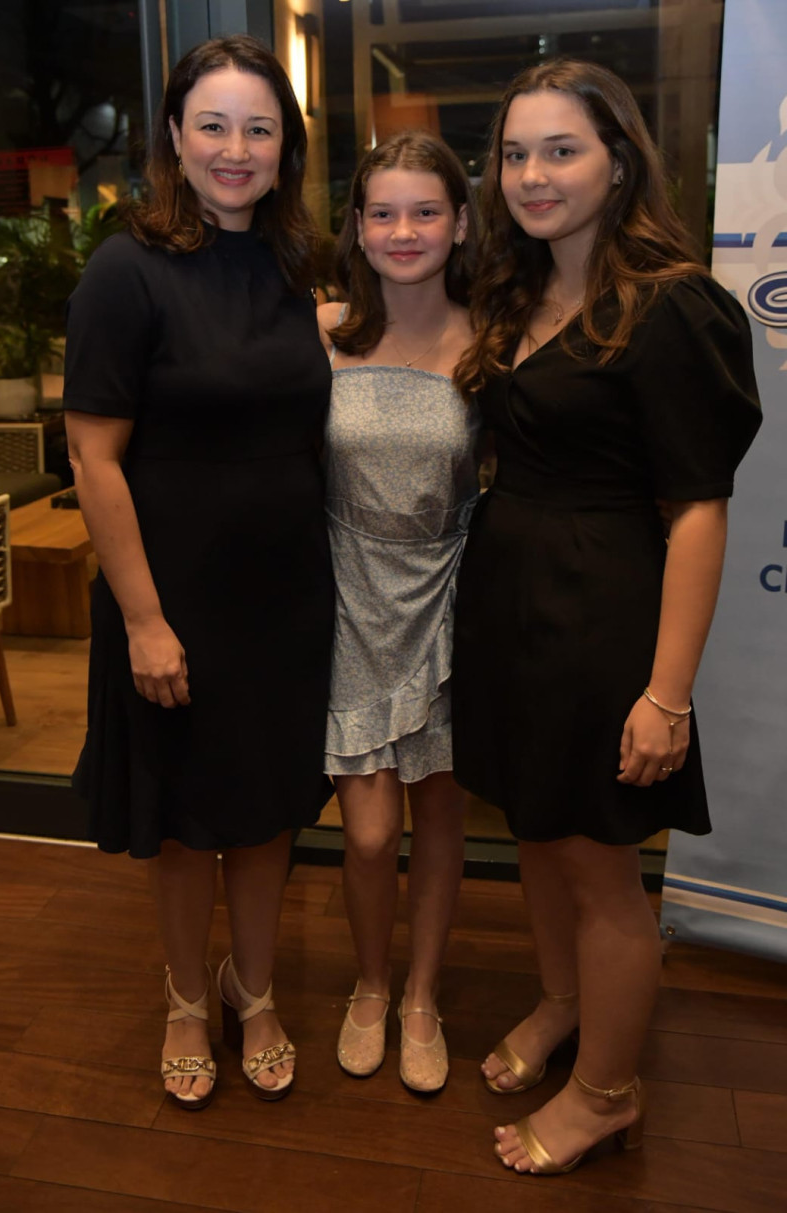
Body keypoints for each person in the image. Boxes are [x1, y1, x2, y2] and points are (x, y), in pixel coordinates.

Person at [451, 58, 761, 1172]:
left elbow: (694, 514)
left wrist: (663, 696)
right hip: (511, 609)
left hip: (600, 620)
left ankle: (606, 1092)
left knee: (598, 870)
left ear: (618, 159)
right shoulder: (515, 289)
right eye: (513, 153)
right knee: (537, 836)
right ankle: (559, 1001)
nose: (530, 175)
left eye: (560, 150)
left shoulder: (672, 305)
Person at [64, 35, 334, 1107]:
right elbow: (92, 456)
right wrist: (142, 619)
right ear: (173, 136)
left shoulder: (294, 264)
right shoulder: (124, 269)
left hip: (285, 600)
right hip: (168, 595)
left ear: (285, 148)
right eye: (212, 125)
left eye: (258, 128)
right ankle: (186, 998)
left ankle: (251, 985)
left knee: (265, 814)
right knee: (181, 826)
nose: (235, 148)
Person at [317, 131, 480, 1093]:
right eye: (383, 212)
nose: (404, 230)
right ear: (360, 227)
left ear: (460, 224)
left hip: (451, 599)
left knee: (442, 821)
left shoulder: (495, 340)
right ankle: (367, 984)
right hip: (346, 594)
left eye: (426, 211)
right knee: (371, 834)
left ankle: (421, 993)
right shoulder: (323, 329)